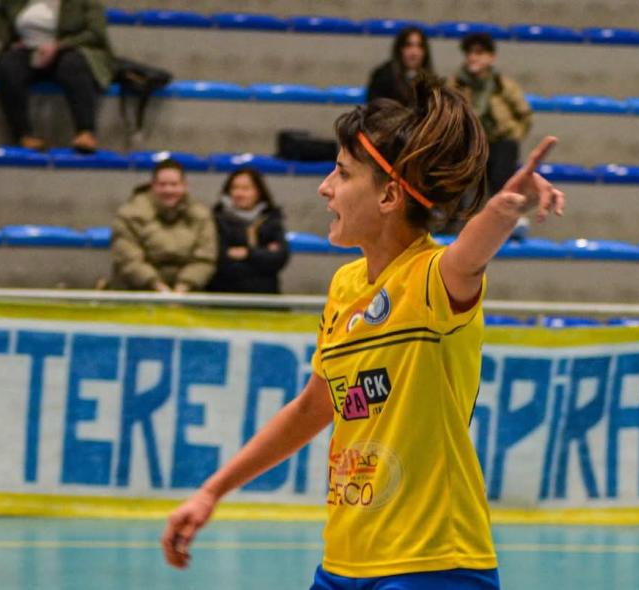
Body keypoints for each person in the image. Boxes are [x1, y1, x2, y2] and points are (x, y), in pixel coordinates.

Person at [161, 78, 564, 589]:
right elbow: (312, 408)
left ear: (390, 195)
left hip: (432, 566)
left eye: (343, 172)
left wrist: (504, 210)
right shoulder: (345, 286)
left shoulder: (431, 279)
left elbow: (470, 255)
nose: (325, 187)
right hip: (344, 565)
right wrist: (212, 491)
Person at [0, 0, 115, 152]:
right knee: (7, 66)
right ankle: (24, 135)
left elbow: (96, 33)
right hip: (29, 50)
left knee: (73, 65)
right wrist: (11, 41)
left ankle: (85, 132)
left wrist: (58, 46)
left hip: (71, 49)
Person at [110, 159, 218, 293]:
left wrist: (182, 288)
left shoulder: (201, 215)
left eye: (174, 184)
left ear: (184, 186)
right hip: (138, 292)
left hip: (188, 293)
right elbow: (129, 261)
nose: (168, 190)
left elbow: (205, 259)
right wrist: (159, 288)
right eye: (162, 184)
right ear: (152, 186)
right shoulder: (128, 215)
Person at [450, 32, 533, 196]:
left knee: (501, 187)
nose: (473, 57)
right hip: (469, 144)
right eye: (470, 53)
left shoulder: (503, 85)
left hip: (500, 142)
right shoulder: (456, 85)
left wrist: (514, 134)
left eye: (479, 53)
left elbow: (525, 115)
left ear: (491, 58)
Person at [207, 168, 290, 294]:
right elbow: (219, 261)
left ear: (259, 192)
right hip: (223, 294)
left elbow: (279, 258)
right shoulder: (215, 220)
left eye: (246, 188)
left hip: (266, 296)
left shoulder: (272, 219)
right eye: (234, 188)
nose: (239, 193)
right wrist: (264, 255)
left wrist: (247, 253)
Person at [366, 26, 435, 106]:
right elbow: (374, 108)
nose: (414, 52)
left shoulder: (430, 81)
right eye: (408, 46)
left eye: (419, 46)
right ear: (400, 49)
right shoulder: (382, 77)